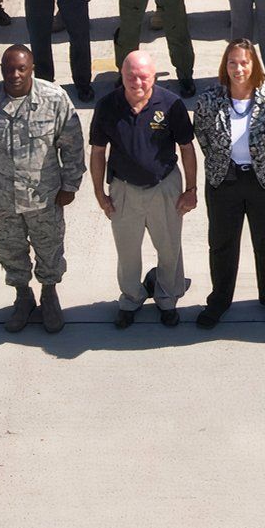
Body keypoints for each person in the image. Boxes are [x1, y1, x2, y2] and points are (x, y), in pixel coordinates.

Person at [0, 43, 82, 334]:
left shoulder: (54, 99)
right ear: (1, 70)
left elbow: (72, 144)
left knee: (50, 249)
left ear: (32, 69)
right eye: (9, 69)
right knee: (11, 251)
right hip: (2, 199)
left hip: (44, 197)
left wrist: (70, 185)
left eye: (21, 68)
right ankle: (23, 297)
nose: (15, 74)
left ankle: (49, 296)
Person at [88, 49, 200, 328]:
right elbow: (98, 152)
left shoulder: (171, 105)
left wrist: (191, 188)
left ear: (154, 76)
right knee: (127, 251)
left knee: (169, 247)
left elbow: (187, 148)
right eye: (131, 76)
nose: (137, 82)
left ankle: (167, 298)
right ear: (122, 76)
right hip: (123, 189)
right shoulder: (107, 106)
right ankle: (131, 298)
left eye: (143, 77)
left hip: (165, 187)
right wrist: (100, 194)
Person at [191, 38, 265, 327]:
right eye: (232, 62)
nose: (238, 68)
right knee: (222, 243)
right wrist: (222, 161)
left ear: (254, 65)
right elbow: (202, 136)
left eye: (244, 62)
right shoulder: (209, 99)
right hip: (225, 181)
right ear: (225, 66)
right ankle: (220, 300)